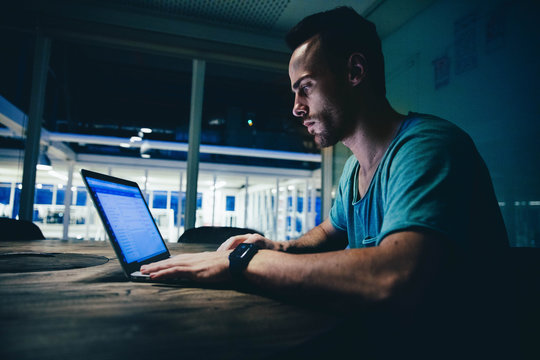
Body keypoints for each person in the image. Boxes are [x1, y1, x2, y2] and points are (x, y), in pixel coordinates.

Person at [142, 7, 513, 358]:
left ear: (354, 72)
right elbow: (328, 231)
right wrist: (280, 246)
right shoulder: (353, 169)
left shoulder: (428, 148)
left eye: (305, 87)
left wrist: (243, 262)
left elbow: (395, 276)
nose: (296, 107)